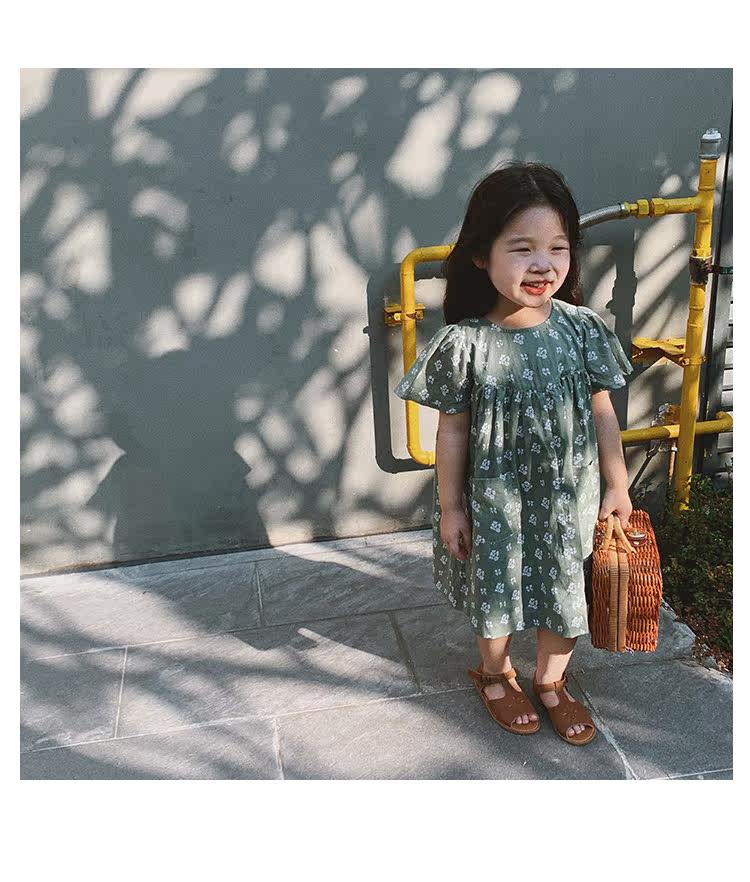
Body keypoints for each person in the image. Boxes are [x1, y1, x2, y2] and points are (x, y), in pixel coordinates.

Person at [394, 162, 633, 746]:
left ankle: (551, 682)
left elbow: (603, 410)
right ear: (481, 255)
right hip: (493, 503)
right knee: (495, 589)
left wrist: (617, 484)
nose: (543, 264)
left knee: (565, 589)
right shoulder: (466, 343)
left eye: (558, 247)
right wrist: (452, 508)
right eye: (522, 248)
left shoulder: (582, 329)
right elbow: (452, 432)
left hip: (567, 500)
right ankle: (496, 674)